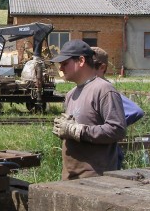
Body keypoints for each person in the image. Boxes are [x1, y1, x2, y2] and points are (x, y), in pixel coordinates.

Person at [51, 39, 126, 179]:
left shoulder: (103, 90)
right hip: (70, 177)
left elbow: (117, 129)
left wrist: (79, 131)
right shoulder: (71, 94)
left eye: (65, 63)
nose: (60, 69)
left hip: (95, 178)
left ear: (81, 61)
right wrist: (65, 130)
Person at [91, 46, 144, 168]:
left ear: (102, 67)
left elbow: (136, 111)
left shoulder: (106, 91)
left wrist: (112, 125)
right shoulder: (94, 90)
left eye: (90, 66)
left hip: (108, 156)